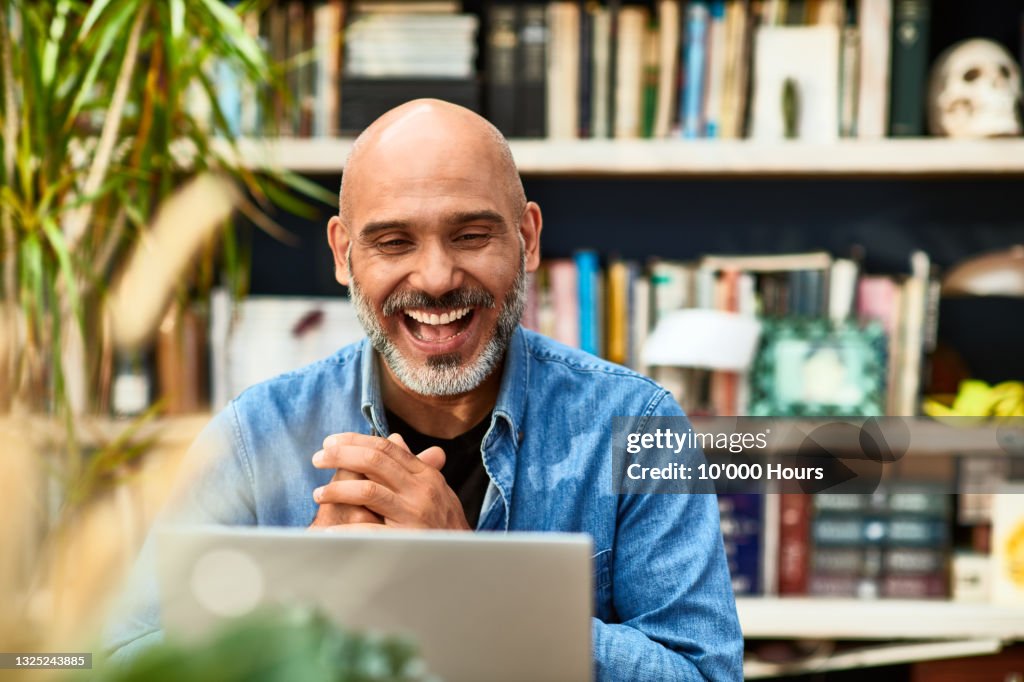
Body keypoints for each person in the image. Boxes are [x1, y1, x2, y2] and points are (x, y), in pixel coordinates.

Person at [105, 99, 743, 680]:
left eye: (470, 235)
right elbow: (118, 663)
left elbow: (705, 676)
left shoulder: (637, 422)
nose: (436, 278)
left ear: (527, 239)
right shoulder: (254, 435)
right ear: (342, 253)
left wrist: (470, 583)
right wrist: (292, 604)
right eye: (393, 242)